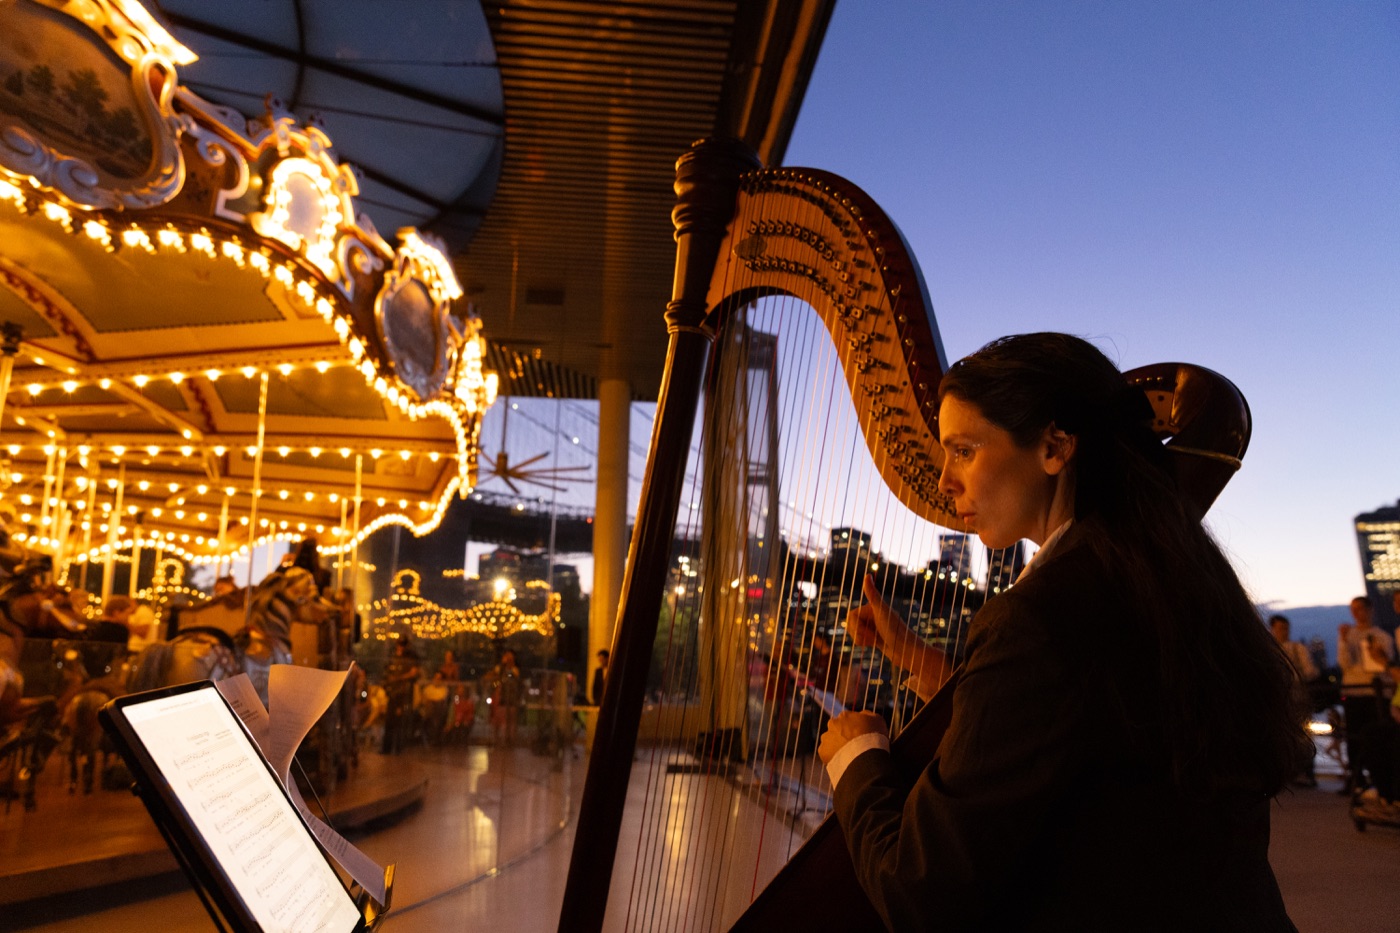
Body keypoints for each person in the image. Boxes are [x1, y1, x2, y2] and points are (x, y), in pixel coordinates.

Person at [818, 333, 1303, 931]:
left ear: (1054, 446)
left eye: (963, 450)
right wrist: (911, 655)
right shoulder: (1158, 571)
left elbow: (923, 895)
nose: (944, 482)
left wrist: (856, 758)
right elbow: (1073, 725)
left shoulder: (1042, 613)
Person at [1337, 595, 1394, 788]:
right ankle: (1356, 777)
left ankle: (1380, 778)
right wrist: (1344, 641)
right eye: (1353, 608)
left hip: (1374, 693)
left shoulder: (1382, 636)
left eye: (1360, 608)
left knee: (1377, 738)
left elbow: (1384, 665)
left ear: (1370, 610)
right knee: (1353, 736)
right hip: (1354, 693)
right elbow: (1344, 664)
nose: (1356, 612)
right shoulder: (1347, 636)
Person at [1270, 613, 1319, 786]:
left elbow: (1311, 671)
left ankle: (1303, 773)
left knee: (1300, 734)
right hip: (1280, 699)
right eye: (1280, 628)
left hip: (1295, 697)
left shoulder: (1297, 648)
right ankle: (1292, 772)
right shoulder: (1270, 649)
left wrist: (1292, 678)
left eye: (1285, 628)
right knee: (1290, 735)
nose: (1283, 631)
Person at [380, 636, 420, 754]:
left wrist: (399, 678)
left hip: (402, 694)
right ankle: (386, 748)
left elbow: (413, 674)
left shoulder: (410, 659)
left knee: (399, 722)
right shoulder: (393, 658)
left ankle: (397, 748)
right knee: (389, 721)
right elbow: (386, 672)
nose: (400, 648)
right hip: (392, 693)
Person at [489, 649, 522, 747]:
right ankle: (497, 739)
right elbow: (494, 676)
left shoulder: (515, 670)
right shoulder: (499, 669)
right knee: (498, 719)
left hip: (511, 698)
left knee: (510, 720)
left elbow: (515, 677)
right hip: (501, 698)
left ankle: (509, 740)